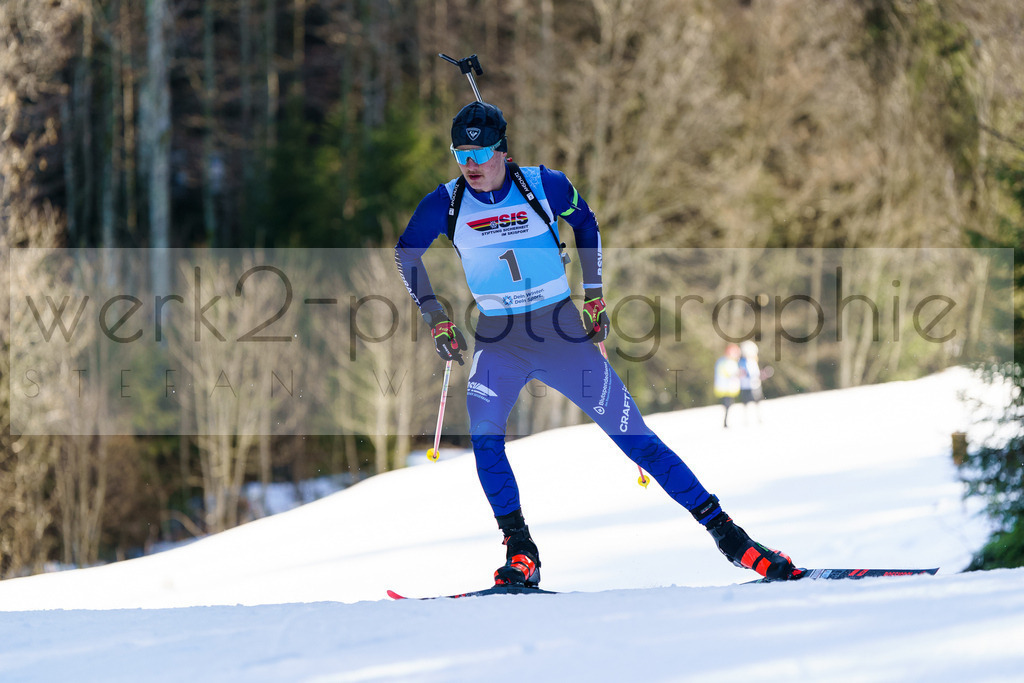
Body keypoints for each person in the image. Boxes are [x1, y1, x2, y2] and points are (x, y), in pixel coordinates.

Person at [394, 101, 796, 587]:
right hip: (500, 339)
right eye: (461, 154)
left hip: (562, 333)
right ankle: (520, 550)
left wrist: (594, 296)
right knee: (484, 438)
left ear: (501, 149)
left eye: (479, 152)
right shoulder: (448, 202)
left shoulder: (545, 185)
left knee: (637, 440)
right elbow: (406, 252)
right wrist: (436, 317)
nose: (470, 165)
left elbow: (586, 224)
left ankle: (733, 539)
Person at [713, 343, 742, 428]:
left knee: (728, 405)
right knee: (727, 405)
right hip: (726, 388)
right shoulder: (726, 362)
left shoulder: (724, 361)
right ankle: (725, 423)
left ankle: (726, 422)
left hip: (727, 388)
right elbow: (728, 374)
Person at [738, 340, 765, 423]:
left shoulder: (753, 361)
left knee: (757, 402)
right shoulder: (742, 362)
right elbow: (745, 373)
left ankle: (758, 417)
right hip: (746, 386)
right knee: (746, 404)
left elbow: (755, 372)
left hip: (755, 385)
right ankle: (746, 419)